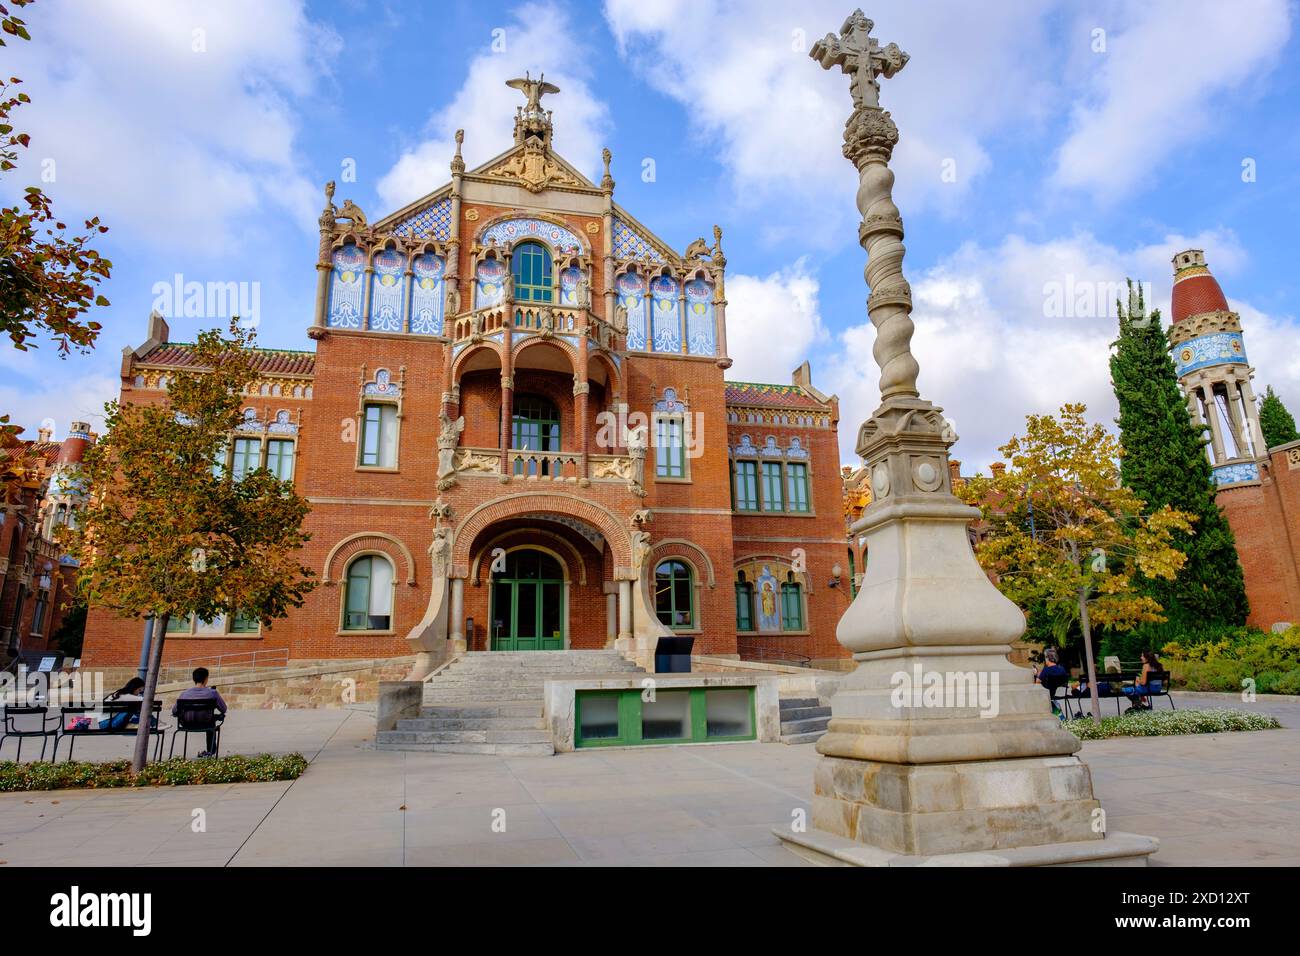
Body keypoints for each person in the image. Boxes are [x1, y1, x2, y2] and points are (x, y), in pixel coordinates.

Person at [172, 667, 228, 757]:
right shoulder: (212, 693)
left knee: (210, 720)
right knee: (212, 721)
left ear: (193, 679)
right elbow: (224, 709)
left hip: (187, 724)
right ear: (206, 679)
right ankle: (210, 752)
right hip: (207, 724)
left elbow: (174, 711)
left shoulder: (184, 694)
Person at [1034, 648, 1070, 717]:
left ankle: (1054, 713)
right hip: (1059, 693)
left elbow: (1037, 683)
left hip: (1046, 695)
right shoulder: (1062, 669)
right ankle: (1058, 713)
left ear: (1047, 658)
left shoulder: (1046, 670)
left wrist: (1036, 675)